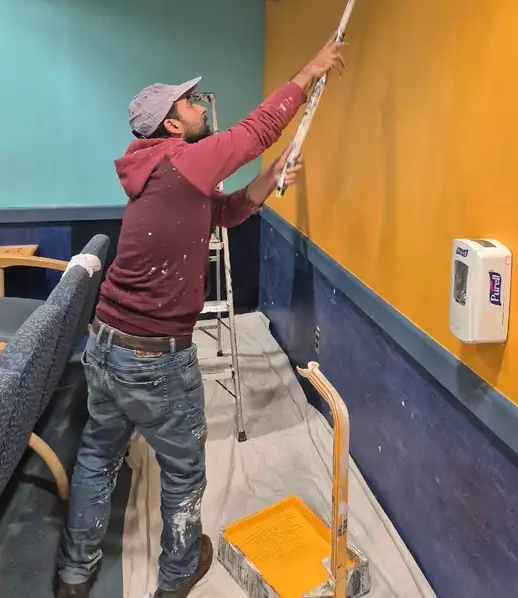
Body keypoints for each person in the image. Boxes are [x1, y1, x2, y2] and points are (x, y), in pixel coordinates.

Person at [56, 39, 346, 598]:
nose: (199, 107)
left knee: (97, 454)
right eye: (189, 104)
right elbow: (257, 130)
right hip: (154, 358)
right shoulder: (180, 160)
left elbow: (224, 212)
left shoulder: (159, 172)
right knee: (184, 471)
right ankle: (176, 576)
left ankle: (74, 574)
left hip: (106, 345)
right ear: (171, 125)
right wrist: (310, 70)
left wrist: (268, 179)